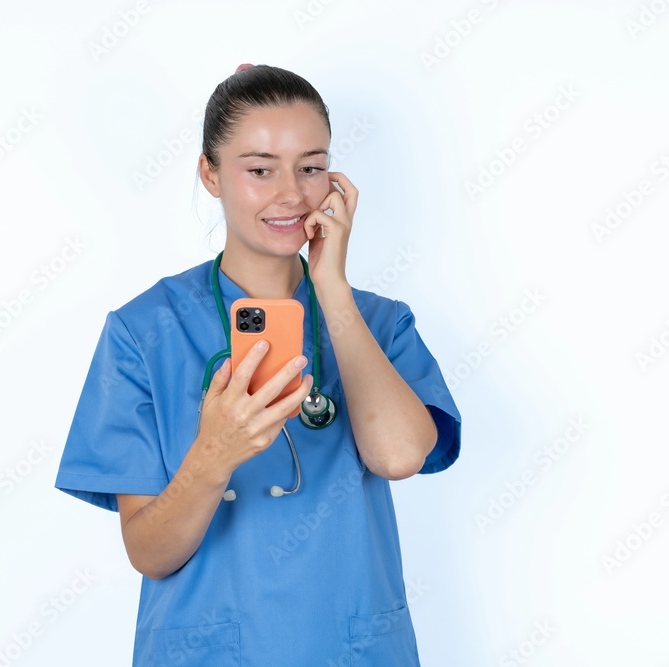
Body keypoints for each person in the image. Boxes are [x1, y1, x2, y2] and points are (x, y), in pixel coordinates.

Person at [54, 63, 462, 666]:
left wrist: (333, 289)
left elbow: (399, 457)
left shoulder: (380, 322)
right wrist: (214, 455)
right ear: (210, 174)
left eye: (311, 167)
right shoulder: (143, 332)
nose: (291, 194)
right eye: (260, 169)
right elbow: (149, 553)